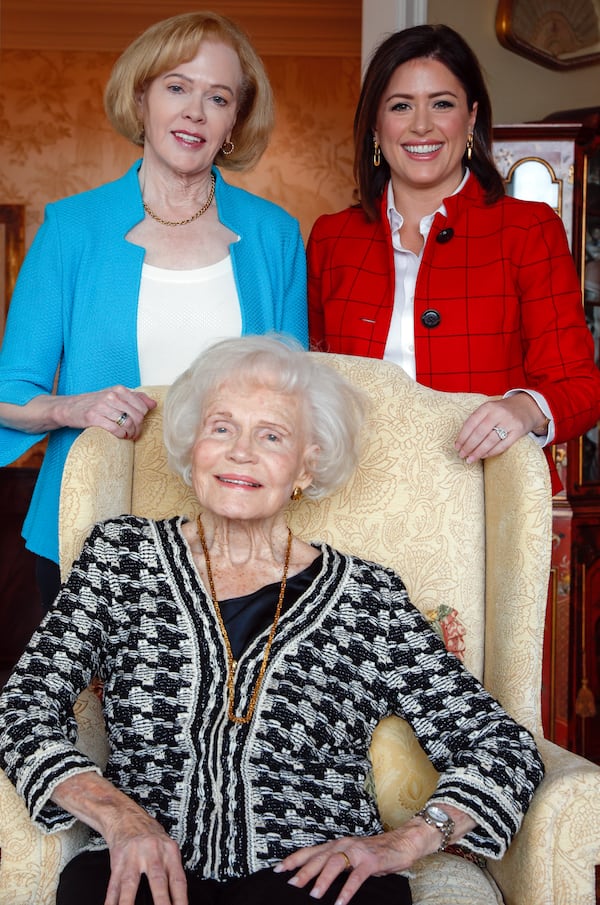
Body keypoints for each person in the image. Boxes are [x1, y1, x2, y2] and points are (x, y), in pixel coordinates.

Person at [0, 335, 544, 905]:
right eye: (221, 427)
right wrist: (119, 819)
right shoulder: (120, 558)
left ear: (307, 466)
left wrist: (403, 842)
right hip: (145, 866)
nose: (241, 452)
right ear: (191, 450)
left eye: (272, 436)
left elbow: (501, 746)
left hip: (311, 881)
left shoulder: (367, 598)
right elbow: (23, 706)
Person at [0, 11, 307, 611]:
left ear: (234, 122)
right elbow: (11, 391)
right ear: (142, 100)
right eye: (176, 87)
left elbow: (294, 400)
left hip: (236, 543)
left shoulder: (275, 236)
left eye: (217, 97)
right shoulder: (71, 229)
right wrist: (74, 405)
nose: (195, 111)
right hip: (87, 529)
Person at [307, 24, 600, 494]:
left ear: (470, 119)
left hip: (483, 502)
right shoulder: (332, 237)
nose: (421, 125)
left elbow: (580, 385)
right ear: (376, 126)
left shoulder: (529, 229)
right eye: (401, 105)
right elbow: (306, 381)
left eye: (442, 104)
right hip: (352, 500)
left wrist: (523, 408)